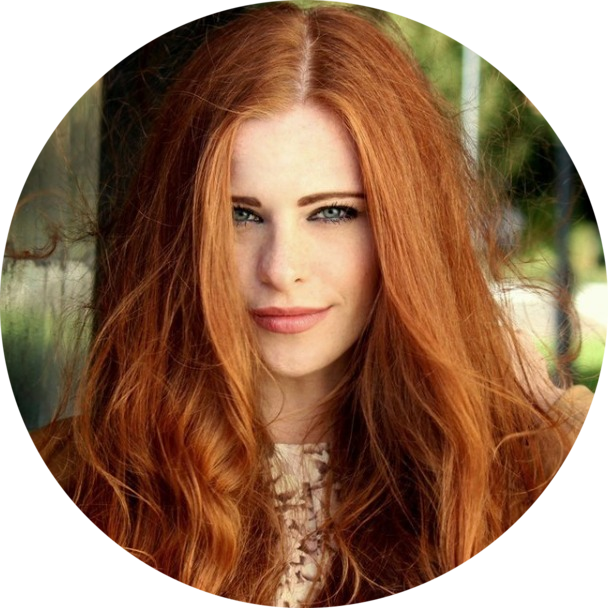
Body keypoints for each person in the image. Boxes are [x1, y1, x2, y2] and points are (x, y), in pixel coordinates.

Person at [30, 2, 593, 605]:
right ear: (179, 230)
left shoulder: (511, 474)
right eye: (240, 214)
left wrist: (548, 418)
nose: (281, 269)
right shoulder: (76, 475)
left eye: (333, 212)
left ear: (408, 230)